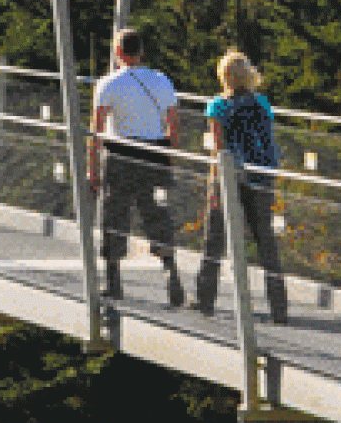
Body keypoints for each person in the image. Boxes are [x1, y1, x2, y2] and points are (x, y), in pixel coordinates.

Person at [90, 26, 184, 305]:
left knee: (115, 214)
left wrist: (92, 169)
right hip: (154, 152)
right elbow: (173, 121)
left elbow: (96, 129)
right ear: (141, 52)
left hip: (119, 152)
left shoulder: (108, 83)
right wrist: (170, 154)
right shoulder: (161, 80)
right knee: (157, 215)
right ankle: (171, 274)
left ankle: (114, 280)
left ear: (118, 53)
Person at [193, 50, 288, 324]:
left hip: (232, 177)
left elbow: (218, 151)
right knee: (266, 241)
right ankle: (279, 308)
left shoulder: (218, 107)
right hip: (262, 177)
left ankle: (205, 301)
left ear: (225, 77)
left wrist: (214, 188)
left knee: (215, 237)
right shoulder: (263, 104)